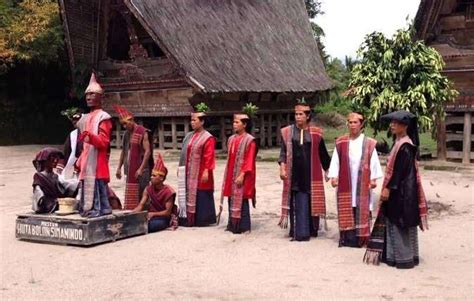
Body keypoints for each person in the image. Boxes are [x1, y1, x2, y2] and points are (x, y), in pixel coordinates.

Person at [364, 110, 428, 269]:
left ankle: (403, 257)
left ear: (404, 126)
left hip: (402, 192)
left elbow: (399, 172)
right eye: (391, 122)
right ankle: (393, 256)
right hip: (401, 190)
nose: (392, 125)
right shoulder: (399, 143)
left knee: (399, 222)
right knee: (393, 221)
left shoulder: (405, 146)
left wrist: (388, 189)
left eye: (395, 123)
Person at [278, 100, 331, 241]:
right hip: (294, 174)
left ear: (307, 116)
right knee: (299, 201)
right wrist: (282, 168)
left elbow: (323, 154)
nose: (298, 117)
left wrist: (328, 170)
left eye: (301, 114)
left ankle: (313, 230)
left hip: (311, 174)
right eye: (296, 114)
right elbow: (283, 153)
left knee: (312, 201)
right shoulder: (287, 132)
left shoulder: (316, 134)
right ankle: (300, 233)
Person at [328, 112, 383, 247]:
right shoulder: (341, 142)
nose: (352, 125)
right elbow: (336, 160)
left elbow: (373, 161)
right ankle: (347, 238)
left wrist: (373, 179)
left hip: (362, 183)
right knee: (347, 206)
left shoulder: (369, 143)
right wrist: (334, 176)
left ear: (361, 124)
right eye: (350, 122)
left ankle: (361, 239)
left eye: (355, 122)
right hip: (346, 182)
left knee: (361, 208)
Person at [75, 73, 113, 217]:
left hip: (97, 162)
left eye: (92, 94)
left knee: (98, 189)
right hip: (86, 161)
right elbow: (84, 146)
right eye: (87, 95)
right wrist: (79, 160)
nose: (88, 97)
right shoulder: (85, 118)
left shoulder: (104, 117)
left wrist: (90, 137)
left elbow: (104, 142)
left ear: (100, 97)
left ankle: (99, 210)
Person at [218, 107, 257, 234]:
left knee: (243, 199)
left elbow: (249, 160)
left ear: (244, 124)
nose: (234, 124)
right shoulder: (231, 139)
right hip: (231, 173)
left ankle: (244, 226)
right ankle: (232, 225)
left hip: (243, 174)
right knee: (231, 197)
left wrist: (242, 174)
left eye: (237, 122)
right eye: (234, 122)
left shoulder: (250, 140)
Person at [178, 103, 217, 226]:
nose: (192, 123)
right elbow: (183, 153)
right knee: (188, 192)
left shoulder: (208, 138)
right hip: (188, 171)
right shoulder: (189, 136)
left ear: (202, 122)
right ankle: (188, 218)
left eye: (194, 120)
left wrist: (206, 171)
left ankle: (203, 219)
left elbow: (209, 156)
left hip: (201, 171)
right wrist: (180, 168)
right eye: (191, 120)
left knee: (201, 192)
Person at [114, 105, 153, 210]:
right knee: (131, 194)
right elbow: (124, 151)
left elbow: (148, 151)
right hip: (129, 168)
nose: (124, 126)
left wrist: (141, 168)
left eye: (126, 123)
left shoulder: (142, 132)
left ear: (131, 120)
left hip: (141, 169)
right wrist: (119, 168)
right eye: (123, 124)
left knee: (143, 194)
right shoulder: (126, 134)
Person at [133, 154, 178, 232]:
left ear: (161, 178)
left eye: (154, 176)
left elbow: (167, 212)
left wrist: (153, 214)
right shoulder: (148, 189)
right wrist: (132, 214)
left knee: (152, 225)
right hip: (151, 216)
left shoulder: (169, 192)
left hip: (163, 217)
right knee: (135, 222)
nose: (151, 178)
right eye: (151, 175)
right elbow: (141, 205)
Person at [32, 148, 70, 213]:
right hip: (47, 205)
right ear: (45, 161)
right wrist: (41, 200)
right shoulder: (39, 176)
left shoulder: (55, 176)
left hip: (56, 203)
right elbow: (37, 191)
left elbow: (62, 189)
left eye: (57, 159)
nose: (55, 161)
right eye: (52, 159)